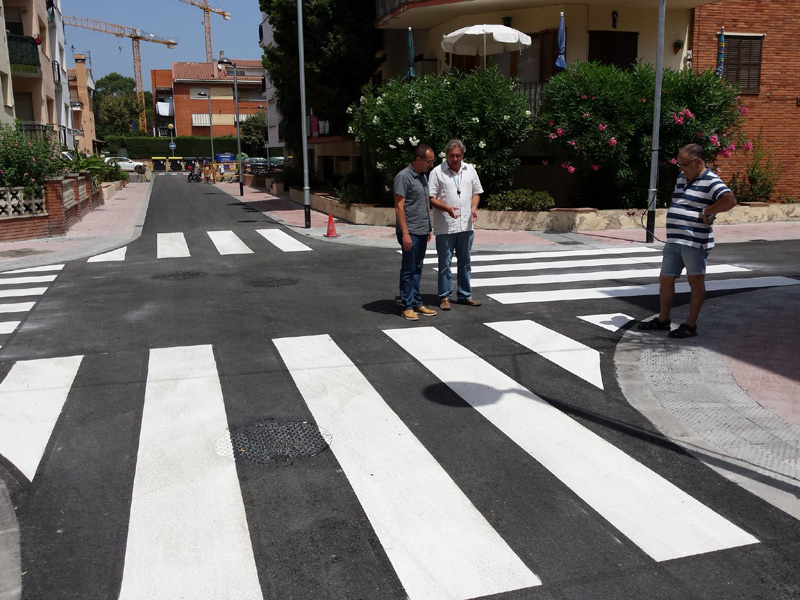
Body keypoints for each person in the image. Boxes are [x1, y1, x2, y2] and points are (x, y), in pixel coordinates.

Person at [638, 143, 737, 338]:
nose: (681, 168)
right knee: (666, 279)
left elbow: (730, 200)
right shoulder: (682, 177)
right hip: (674, 240)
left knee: (695, 281)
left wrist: (708, 211)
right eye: (679, 164)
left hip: (694, 241)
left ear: (698, 161)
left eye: (684, 164)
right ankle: (663, 319)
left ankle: (690, 325)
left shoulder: (711, 181)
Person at [428, 139, 483, 310]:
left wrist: (474, 207)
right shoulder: (437, 172)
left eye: (458, 155)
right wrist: (446, 208)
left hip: (466, 225)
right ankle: (445, 296)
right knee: (445, 263)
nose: (455, 158)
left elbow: (476, 192)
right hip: (445, 226)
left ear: (462, 155)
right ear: (446, 155)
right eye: (452, 155)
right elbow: (431, 198)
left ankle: (465, 295)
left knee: (465, 262)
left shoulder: (470, 170)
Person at [394, 144, 441, 321]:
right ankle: (406, 306)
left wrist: (427, 228)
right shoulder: (403, 177)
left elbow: (422, 205)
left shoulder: (423, 177)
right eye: (429, 161)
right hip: (410, 231)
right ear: (418, 159)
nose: (431, 165)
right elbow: (399, 207)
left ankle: (416, 302)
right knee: (408, 269)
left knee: (418, 268)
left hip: (421, 230)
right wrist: (405, 234)